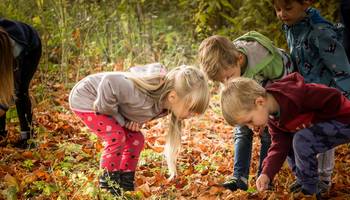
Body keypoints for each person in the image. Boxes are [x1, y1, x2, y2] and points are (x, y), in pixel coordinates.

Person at [69, 63, 210, 195]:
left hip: (107, 103)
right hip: (86, 97)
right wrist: (121, 120)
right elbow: (109, 81)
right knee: (117, 137)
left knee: (137, 139)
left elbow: (136, 110)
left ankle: (125, 183)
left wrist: (131, 120)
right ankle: (108, 186)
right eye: (191, 110)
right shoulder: (140, 95)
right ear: (173, 96)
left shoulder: (164, 104)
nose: (192, 116)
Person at [220, 73, 350, 197]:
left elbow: (332, 95)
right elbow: (279, 147)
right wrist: (267, 173)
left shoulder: (295, 95)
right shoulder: (273, 118)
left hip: (343, 120)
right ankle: (302, 180)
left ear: (260, 102)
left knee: (301, 139)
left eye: (249, 121)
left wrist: (315, 121)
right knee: (287, 141)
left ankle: (310, 190)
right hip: (325, 127)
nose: (251, 127)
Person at [198, 31, 294, 191]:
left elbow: (284, 84)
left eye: (228, 77)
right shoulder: (227, 67)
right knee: (241, 129)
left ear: (239, 60)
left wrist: (266, 115)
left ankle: (264, 178)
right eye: (221, 81)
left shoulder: (265, 60)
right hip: (249, 96)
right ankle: (239, 177)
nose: (226, 82)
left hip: (272, 93)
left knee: (268, 134)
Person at [273, 0, 350, 193]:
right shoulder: (291, 27)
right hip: (306, 93)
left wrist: (347, 96)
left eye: (288, 8)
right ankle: (307, 176)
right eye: (278, 9)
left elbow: (341, 67)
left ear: (305, 3)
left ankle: (323, 178)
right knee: (303, 132)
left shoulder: (320, 32)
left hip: (329, 94)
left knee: (321, 135)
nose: (282, 14)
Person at [0, 18, 42, 148]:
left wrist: (1, 107)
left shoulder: (15, 50)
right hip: (8, 45)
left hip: (31, 47)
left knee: (20, 91)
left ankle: (27, 138)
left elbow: (11, 90)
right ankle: (1, 133)